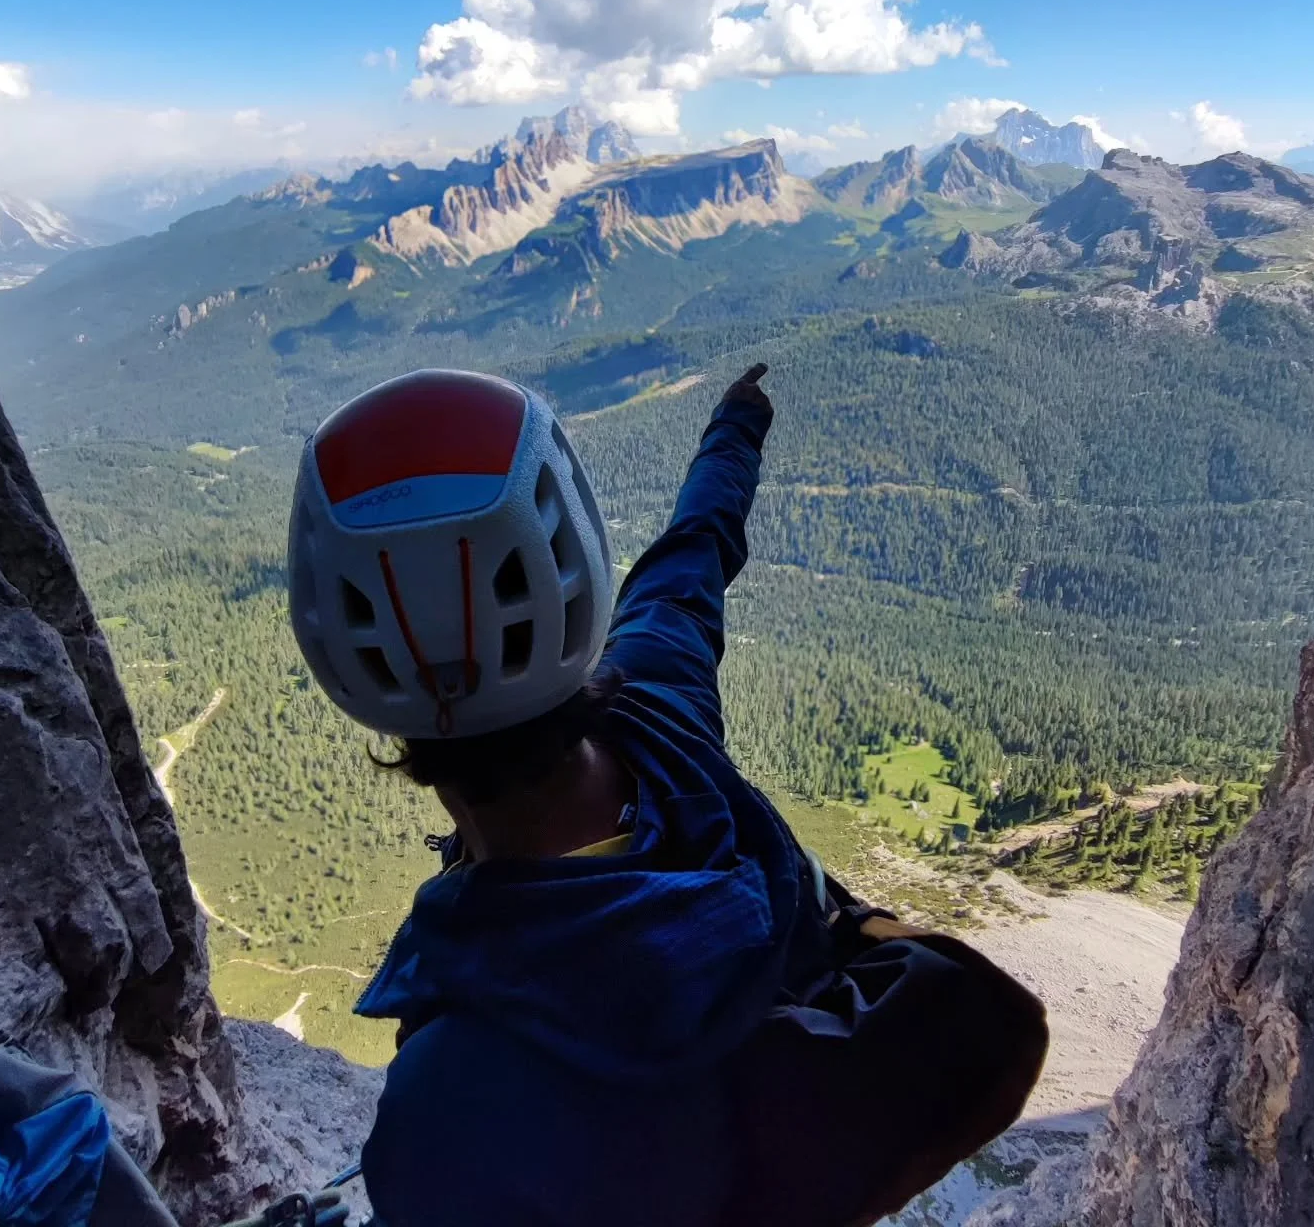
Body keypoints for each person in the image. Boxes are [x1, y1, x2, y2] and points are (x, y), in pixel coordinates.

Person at [287, 364, 1046, 1227]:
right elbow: (694, 550)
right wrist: (735, 426)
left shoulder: (445, 1100)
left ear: (365, 691)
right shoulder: (662, 707)